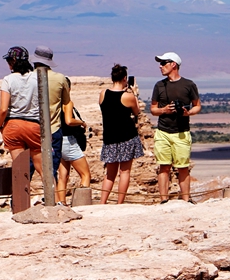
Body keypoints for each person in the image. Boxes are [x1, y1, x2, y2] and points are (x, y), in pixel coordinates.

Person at [150, 52, 201, 203]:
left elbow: (197, 106)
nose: (160, 66)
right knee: (163, 167)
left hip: (181, 132)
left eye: (163, 63)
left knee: (183, 168)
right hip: (163, 132)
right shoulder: (159, 85)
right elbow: (153, 109)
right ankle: (163, 200)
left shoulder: (189, 85)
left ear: (173, 65)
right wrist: (164, 110)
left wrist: (188, 113)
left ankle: (186, 200)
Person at [99, 64, 144, 205]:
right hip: (126, 137)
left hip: (110, 138)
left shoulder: (103, 93)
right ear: (125, 78)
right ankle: (119, 203)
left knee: (110, 174)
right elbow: (136, 112)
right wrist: (134, 95)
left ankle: (102, 202)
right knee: (124, 172)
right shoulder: (128, 96)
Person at [0, 46, 43, 176]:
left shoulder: (8, 80)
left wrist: (0, 125)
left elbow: (3, 109)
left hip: (13, 125)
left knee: (20, 169)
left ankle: (19, 197)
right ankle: (55, 196)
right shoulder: (37, 78)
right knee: (43, 169)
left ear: (13, 61)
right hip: (34, 125)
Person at [33, 46, 71, 179]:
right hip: (53, 129)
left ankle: (19, 199)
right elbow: (67, 101)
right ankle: (49, 198)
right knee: (51, 170)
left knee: (27, 169)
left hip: (32, 130)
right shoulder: (60, 79)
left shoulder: (28, 78)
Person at [56, 78, 90, 206]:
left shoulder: (53, 103)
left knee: (63, 175)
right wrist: (81, 122)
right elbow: (69, 121)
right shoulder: (67, 103)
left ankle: (61, 203)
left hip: (57, 141)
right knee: (85, 174)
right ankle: (83, 204)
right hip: (68, 141)